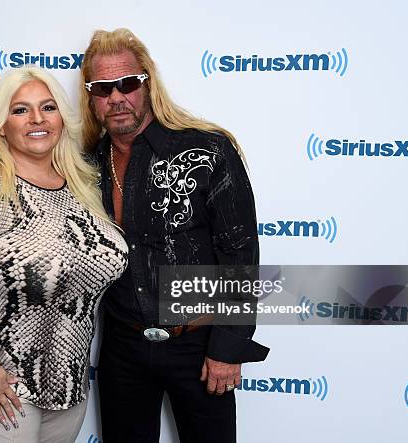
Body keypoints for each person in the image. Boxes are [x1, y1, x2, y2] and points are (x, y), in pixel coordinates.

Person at [79, 28, 270, 442]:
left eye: (128, 83)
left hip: (199, 345)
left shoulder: (208, 151)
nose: (117, 97)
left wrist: (228, 346)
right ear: (90, 96)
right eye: (102, 88)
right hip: (122, 347)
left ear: (147, 83)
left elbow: (240, 254)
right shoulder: (83, 164)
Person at [0, 66, 128, 442]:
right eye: (20, 110)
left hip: (69, 388)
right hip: (5, 392)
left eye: (48, 107)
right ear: (1, 125)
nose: (37, 119)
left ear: (62, 119)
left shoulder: (82, 187)